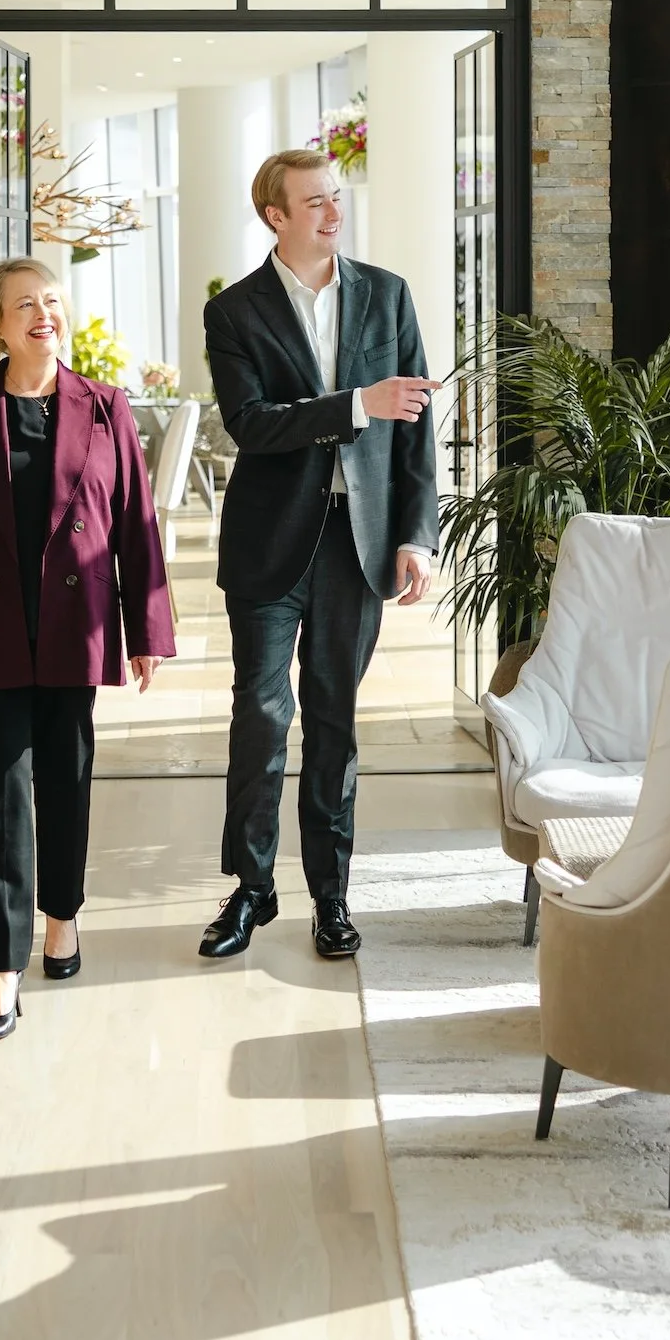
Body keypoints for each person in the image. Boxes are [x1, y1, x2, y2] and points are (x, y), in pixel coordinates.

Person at [0, 258, 174, 1041]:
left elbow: (136, 529)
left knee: (66, 780)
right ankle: (0, 972)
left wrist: (147, 631)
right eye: (25, 305)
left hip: (73, 626)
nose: (42, 314)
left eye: (52, 301)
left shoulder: (108, 408)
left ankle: (63, 919)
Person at [199, 148, 440, 963]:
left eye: (336, 198)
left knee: (334, 720)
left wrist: (417, 535)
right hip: (271, 545)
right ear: (276, 216)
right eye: (314, 203)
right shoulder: (235, 312)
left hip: (357, 543)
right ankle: (252, 889)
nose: (334, 214)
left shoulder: (387, 294)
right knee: (261, 719)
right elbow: (253, 424)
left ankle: (330, 898)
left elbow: (417, 432)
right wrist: (353, 406)